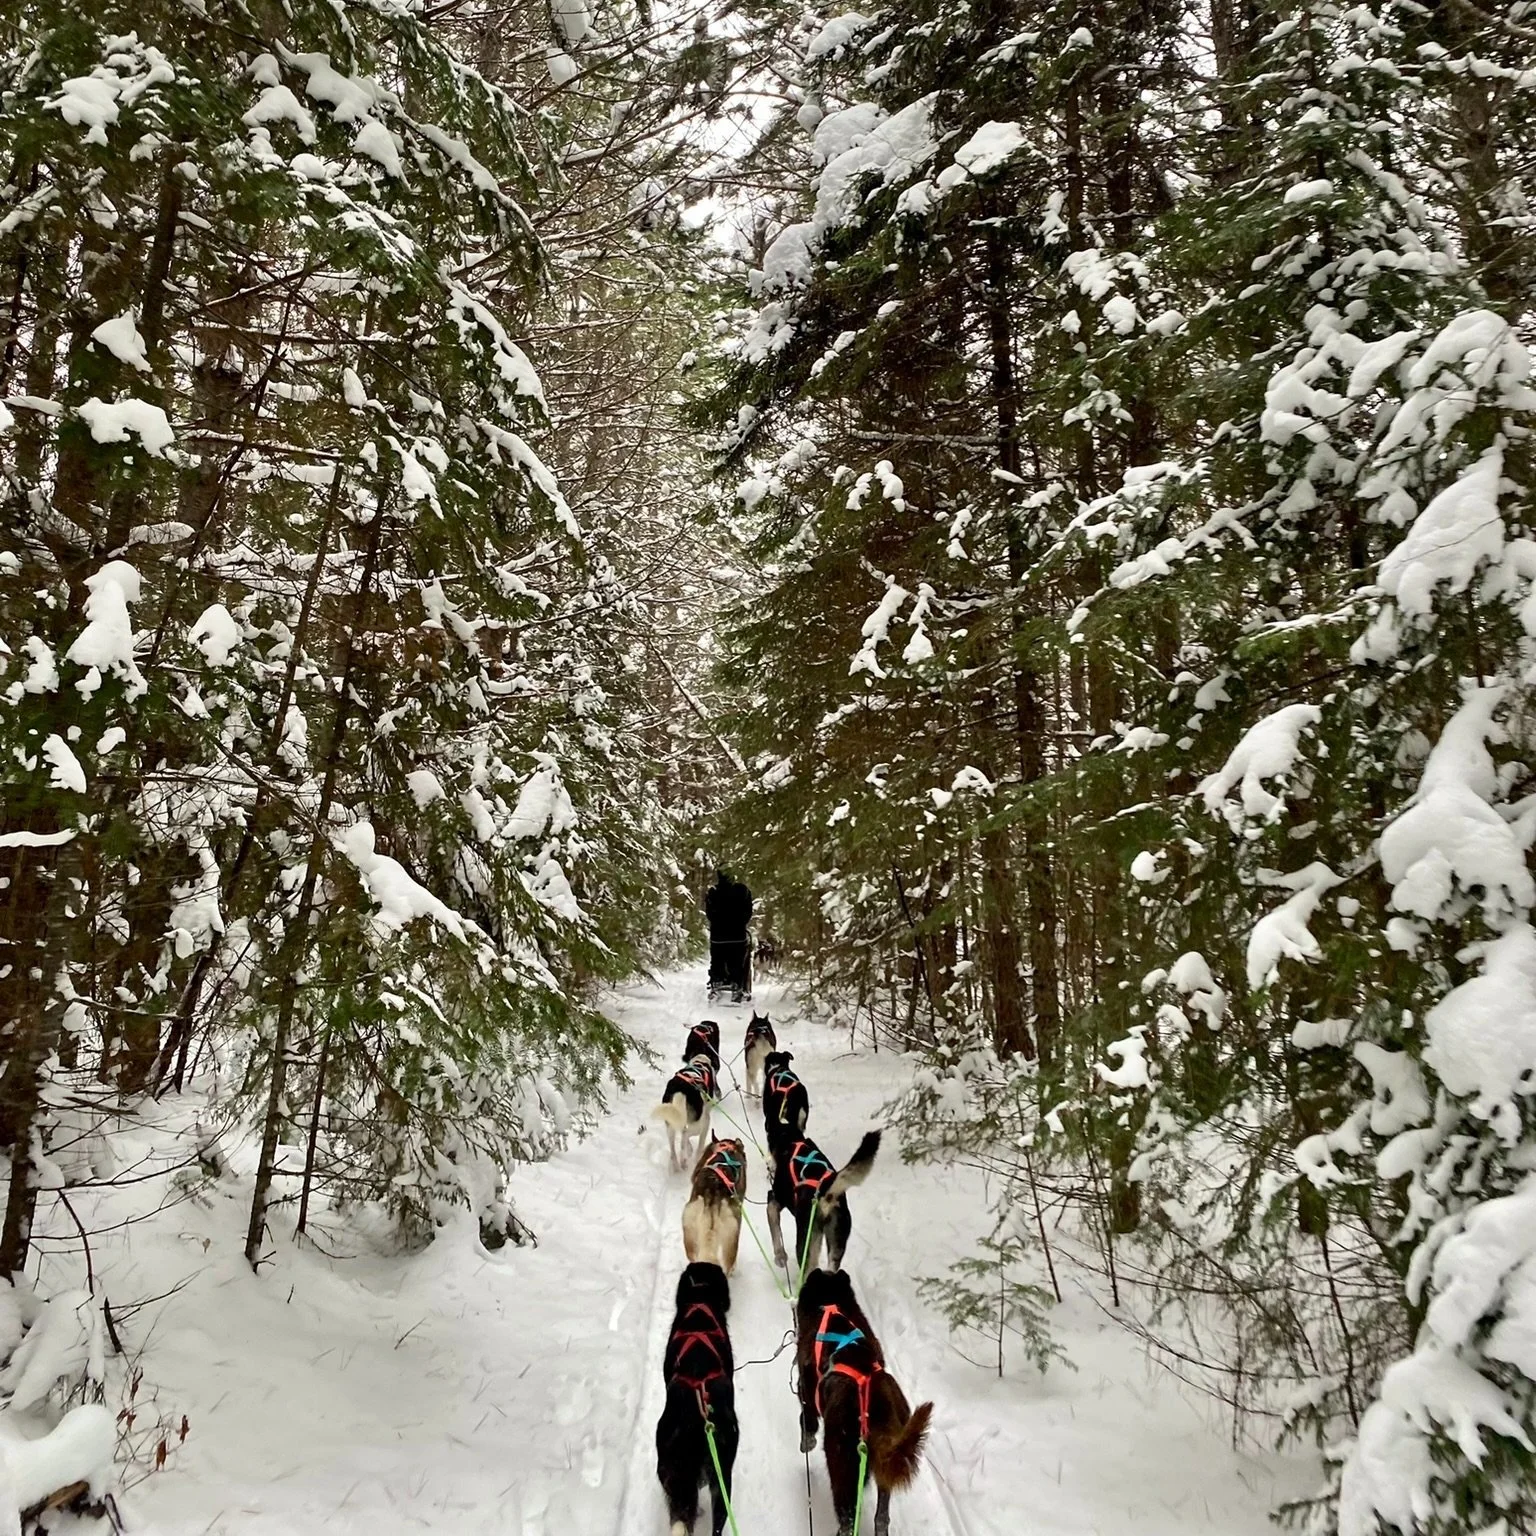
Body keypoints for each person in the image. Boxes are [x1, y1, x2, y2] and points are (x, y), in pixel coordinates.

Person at [705, 869, 753, 1000]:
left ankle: (717, 982)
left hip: (718, 936)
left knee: (717, 961)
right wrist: (741, 923)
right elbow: (748, 911)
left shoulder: (713, 892)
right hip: (738, 935)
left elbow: (709, 913)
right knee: (737, 962)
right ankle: (737, 984)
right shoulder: (742, 890)